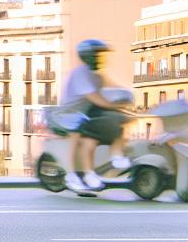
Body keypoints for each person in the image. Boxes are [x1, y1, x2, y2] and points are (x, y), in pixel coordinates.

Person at [55, 38, 134, 193]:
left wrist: (126, 97)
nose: (100, 58)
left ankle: (114, 156)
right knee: (80, 135)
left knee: (117, 120)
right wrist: (115, 105)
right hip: (71, 113)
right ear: (88, 56)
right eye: (97, 55)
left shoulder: (96, 76)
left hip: (87, 113)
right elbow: (95, 98)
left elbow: (112, 89)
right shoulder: (81, 73)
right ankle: (71, 175)